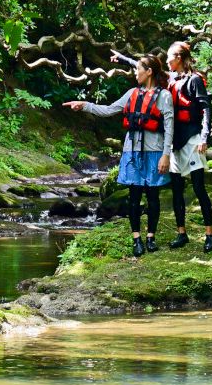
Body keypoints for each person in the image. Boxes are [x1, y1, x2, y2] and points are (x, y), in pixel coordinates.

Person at [63, 55, 173, 257]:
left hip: (155, 152)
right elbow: (107, 110)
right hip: (131, 152)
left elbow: (169, 128)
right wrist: (84, 105)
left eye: (138, 68)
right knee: (134, 197)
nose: (135, 72)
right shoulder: (131, 94)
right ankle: (136, 239)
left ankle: (151, 237)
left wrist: (166, 155)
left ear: (149, 72)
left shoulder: (164, 96)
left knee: (153, 197)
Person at [166, 41, 212, 253]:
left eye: (169, 57)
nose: (166, 61)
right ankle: (181, 233)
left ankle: (210, 235)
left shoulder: (194, 80)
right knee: (176, 189)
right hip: (175, 142)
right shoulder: (171, 80)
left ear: (178, 58)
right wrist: (121, 58)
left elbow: (206, 108)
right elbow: (146, 66)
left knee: (198, 187)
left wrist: (204, 136)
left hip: (194, 138)